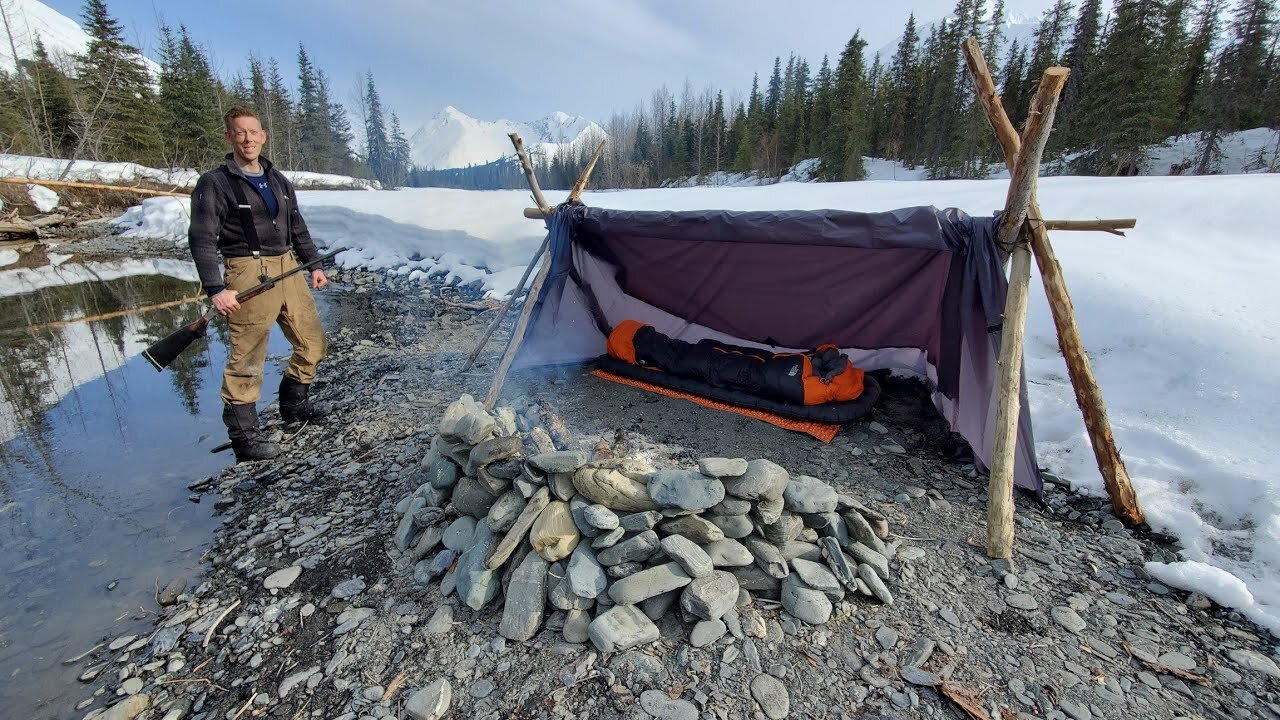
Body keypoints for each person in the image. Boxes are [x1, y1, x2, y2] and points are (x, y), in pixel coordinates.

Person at [188, 106, 331, 462]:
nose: (248, 139)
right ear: (229, 137)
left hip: (288, 267)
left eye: (253, 132)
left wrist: (313, 264)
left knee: (312, 342)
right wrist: (216, 289)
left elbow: (296, 225)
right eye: (240, 133)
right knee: (248, 356)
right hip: (246, 270)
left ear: (263, 135)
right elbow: (202, 238)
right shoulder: (215, 183)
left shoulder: (277, 179)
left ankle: (294, 407)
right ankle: (245, 439)